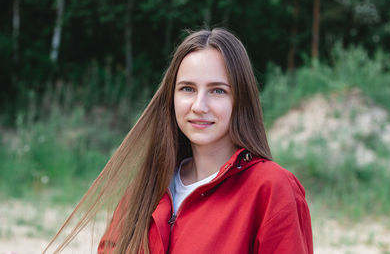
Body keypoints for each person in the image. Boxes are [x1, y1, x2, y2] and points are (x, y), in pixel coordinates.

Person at [45, 28, 313, 254]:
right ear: (171, 97)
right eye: (187, 89)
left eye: (217, 91)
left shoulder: (271, 189)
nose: (199, 105)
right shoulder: (147, 187)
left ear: (240, 99)